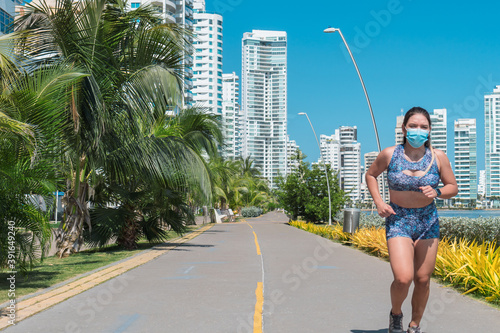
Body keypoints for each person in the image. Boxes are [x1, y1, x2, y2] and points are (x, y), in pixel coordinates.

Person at [365, 107, 458, 333]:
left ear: (429, 131)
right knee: (403, 278)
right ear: (404, 128)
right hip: (399, 219)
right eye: (413, 126)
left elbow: (452, 187)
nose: (418, 130)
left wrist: (437, 192)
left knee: (423, 279)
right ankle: (396, 314)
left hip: (427, 221)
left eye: (424, 127)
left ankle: (414, 325)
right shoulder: (390, 154)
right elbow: (370, 175)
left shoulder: (438, 157)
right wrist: (379, 202)